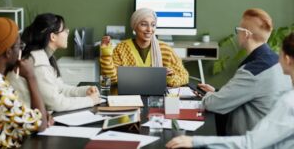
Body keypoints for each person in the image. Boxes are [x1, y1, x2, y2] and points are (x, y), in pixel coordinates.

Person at [166, 32, 294, 149]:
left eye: (280, 54)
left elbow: (250, 144)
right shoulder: (287, 93)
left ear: (287, 60)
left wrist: (194, 142)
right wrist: (218, 91)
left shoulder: (288, 103)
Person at [194, 8, 291, 135]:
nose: (237, 34)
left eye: (238, 30)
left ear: (246, 34)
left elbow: (212, 104)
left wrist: (209, 96)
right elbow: (252, 93)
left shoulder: (253, 71)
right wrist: (218, 92)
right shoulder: (276, 61)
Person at [0, 17, 50, 148]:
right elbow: (41, 124)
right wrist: (31, 77)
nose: (21, 50)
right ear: (8, 52)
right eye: (19, 46)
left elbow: (15, 112)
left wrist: (39, 115)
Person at [7, 13, 100, 112]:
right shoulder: (37, 61)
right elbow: (56, 104)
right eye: (64, 29)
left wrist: (85, 91)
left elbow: (60, 89)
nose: (68, 31)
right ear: (53, 37)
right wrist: (90, 101)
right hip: (26, 120)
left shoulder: (45, 57)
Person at [100, 8, 188, 87]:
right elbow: (111, 80)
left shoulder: (166, 50)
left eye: (153, 25)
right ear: (134, 27)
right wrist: (106, 55)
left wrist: (168, 77)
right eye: (144, 24)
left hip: (157, 99)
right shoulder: (121, 49)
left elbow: (184, 77)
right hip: (130, 98)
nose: (149, 29)